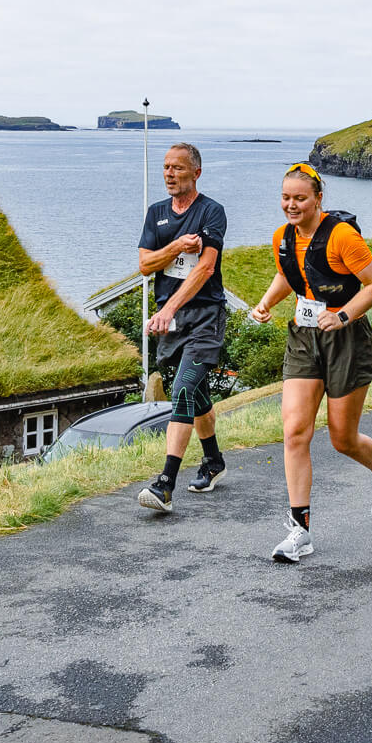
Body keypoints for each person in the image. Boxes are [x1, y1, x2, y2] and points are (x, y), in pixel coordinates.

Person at [249, 163, 372, 563]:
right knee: (295, 431)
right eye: (285, 197)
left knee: (342, 438)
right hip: (304, 336)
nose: (291, 205)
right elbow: (293, 275)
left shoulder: (341, 236)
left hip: (346, 337)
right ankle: (300, 531)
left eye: (300, 198)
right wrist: (267, 302)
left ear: (319, 199)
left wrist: (342, 316)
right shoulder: (282, 238)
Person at [135, 143, 229, 514]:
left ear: (196, 173)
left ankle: (165, 485)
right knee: (196, 391)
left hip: (205, 315)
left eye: (177, 168)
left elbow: (205, 268)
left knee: (182, 389)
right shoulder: (156, 213)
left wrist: (168, 307)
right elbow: (145, 265)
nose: (169, 174)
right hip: (172, 321)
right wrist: (175, 246)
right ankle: (214, 462)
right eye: (165, 167)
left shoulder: (211, 212)